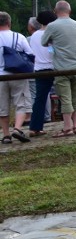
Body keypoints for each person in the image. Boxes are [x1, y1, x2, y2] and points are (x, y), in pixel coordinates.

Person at [40, 1, 76, 138]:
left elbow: (43, 42)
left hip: (62, 67)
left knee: (65, 98)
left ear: (55, 11)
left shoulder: (52, 26)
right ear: (69, 11)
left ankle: (67, 127)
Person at [0, 11, 34, 144]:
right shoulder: (18, 37)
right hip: (17, 75)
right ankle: (17, 129)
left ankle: (6, 135)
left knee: (2, 107)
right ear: (9, 22)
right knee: (21, 103)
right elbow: (30, 55)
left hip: (0, 78)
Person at [26, 13, 53, 135]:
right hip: (54, 67)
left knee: (39, 99)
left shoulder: (33, 36)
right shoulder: (51, 34)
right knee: (66, 95)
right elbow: (52, 50)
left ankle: (35, 127)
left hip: (39, 69)